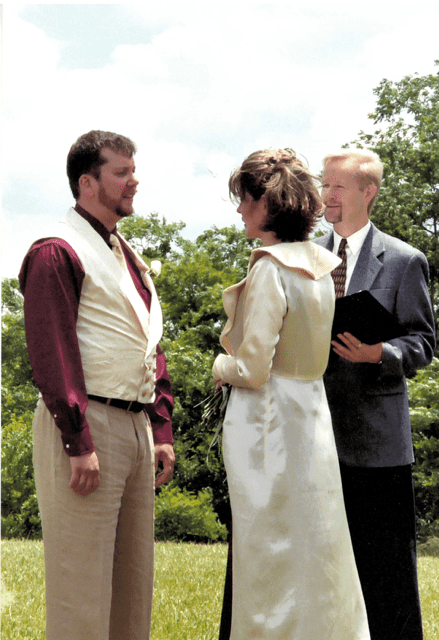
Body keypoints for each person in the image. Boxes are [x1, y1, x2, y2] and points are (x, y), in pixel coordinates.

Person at [19, 130, 175, 640]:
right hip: (87, 427)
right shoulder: (55, 252)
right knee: (80, 589)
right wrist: (77, 440)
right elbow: (53, 353)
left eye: (133, 170)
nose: (134, 181)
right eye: (121, 172)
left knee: (133, 588)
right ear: (88, 183)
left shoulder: (125, 254)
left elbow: (147, 342)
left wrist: (161, 427)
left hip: (134, 428)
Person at [212, 148, 371, 640]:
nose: (240, 209)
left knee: (268, 551)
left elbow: (252, 367)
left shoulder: (270, 268)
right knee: (316, 547)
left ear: (268, 204)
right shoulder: (321, 268)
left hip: (268, 426)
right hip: (311, 417)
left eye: (245, 200)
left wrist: (219, 365)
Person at [314, 149, 436, 640]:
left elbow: (424, 342)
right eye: (325, 186)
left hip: (379, 445)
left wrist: (378, 354)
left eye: (338, 188)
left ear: (369, 192)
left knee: (387, 573)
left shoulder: (406, 260)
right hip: (315, 435)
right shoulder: (307, 258)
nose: (327, 196)